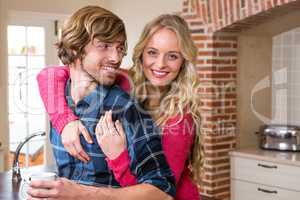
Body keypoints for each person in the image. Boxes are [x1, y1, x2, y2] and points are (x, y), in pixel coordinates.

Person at [34, 14, 203, 200]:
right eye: (153, 52)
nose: (160, 64)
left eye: (172, 56)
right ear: (141, 54)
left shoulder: (179, 119)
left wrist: (118, 157)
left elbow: (161, 192)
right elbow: (50, 75)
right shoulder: (122, 81)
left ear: (183, 62)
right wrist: (64, 120)